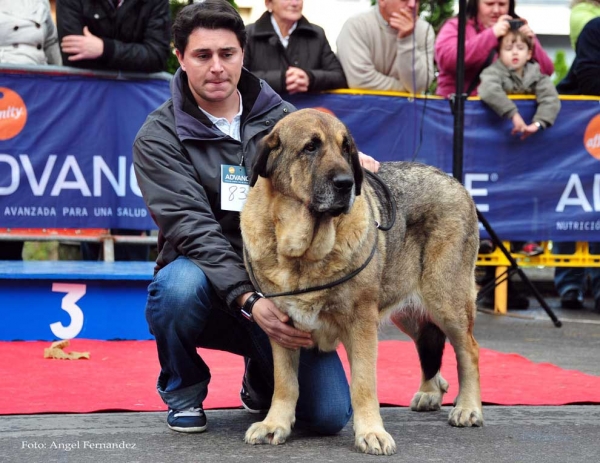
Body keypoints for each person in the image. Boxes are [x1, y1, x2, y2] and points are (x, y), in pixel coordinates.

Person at [132, 0, 381, 434]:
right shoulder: (158, 136)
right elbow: (193, 230)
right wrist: (251, 301)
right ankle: (184, 389)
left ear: (242, 55)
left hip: (283, 284)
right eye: (202, 55)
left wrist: (349, 162)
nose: (216, 67)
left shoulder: (283, 118)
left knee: (327, 417)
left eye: (227, 54)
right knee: (175, 289)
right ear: (180, 57)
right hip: (211, 281)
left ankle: (261, 379)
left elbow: (331, 165)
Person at [56, 0, 172, 261]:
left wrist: (102, 48)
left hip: (134, 117)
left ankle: (131, 292)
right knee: (86, 207)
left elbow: (155, 55)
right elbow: (72, 52)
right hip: (84, 115)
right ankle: (83, 286)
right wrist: (130, 55)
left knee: (132, 208)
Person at [0, 0, 61, 260]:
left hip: (33, 100)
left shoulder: (39, 4)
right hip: (6, 91)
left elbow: (52, 50)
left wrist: (65, 84)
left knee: (20, 184)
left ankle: (13, 260)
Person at [553, 17, 600, 311]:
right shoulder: (594, 29)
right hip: (574, 128)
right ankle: (569, 284)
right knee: (568, 205)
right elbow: (590, 79)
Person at [434, 0, 555, 98]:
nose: (496, 10)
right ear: (476, 4)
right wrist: (491, 35)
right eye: (489, 4)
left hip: (505, 113)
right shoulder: (456, 26)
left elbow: (546, 71)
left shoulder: (517, 30)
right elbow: (447, 60)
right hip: (462, 113)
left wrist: (532, 44)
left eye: (502, 4)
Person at [243, 0, 347, 95]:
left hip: (306, 111)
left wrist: (310, 78)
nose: (294, 3)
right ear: (269, 3)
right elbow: (239, 77)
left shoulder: (316, 34)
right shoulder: (248, 35)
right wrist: (281, 80)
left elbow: (338, 77)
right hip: (263, 113)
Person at [335, 0, 435, 93]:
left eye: (417, 0)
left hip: (403, 110)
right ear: (382, 1)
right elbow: (360, 81)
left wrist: (407, 39)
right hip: (356, 108)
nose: (412, 4)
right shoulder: (357, 25)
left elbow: (418, 86)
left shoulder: (424, 31)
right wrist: (405, 90)